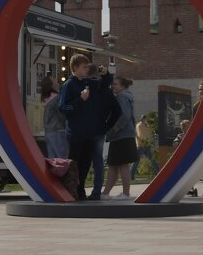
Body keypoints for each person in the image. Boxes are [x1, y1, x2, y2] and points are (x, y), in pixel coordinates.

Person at [58, 54, 120, 200]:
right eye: (84, 67)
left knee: (86, 164)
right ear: (75, 68)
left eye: (87, 67)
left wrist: (106, 75)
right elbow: (63, 108)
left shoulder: (88, 83)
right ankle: (71, 191)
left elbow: (103, 85)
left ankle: (80, 190)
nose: (86, 69)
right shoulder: (68, 85)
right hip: (76, 133)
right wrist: (80, 99)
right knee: (74, 163)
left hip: (89, 133)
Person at [103, 75, 138, 200]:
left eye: (116, 84)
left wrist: (116, 128)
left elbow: (125, 115)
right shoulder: (126, 96)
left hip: (121, 135)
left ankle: (125, 193)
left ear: (123, 86)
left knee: (122, 164)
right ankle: (106, 193)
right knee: (113, 164)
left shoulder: (122, 97)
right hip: (122, 135)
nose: (113, 86)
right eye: (113, 84)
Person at [40, 75, 68, 160]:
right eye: (55, 81)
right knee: (62, 159)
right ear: (51, 85)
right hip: (59, 131)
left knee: (52, 159)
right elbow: (62, 115)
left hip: (49, 132)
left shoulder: (46, 99)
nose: (58, 83)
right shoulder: (57, 98)